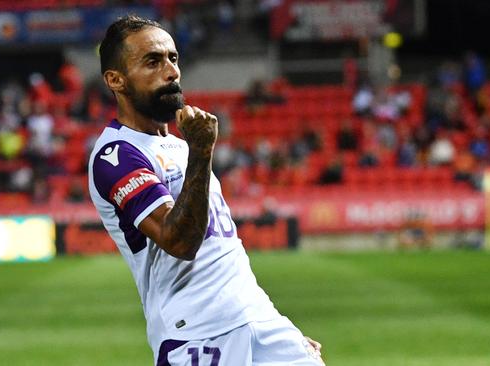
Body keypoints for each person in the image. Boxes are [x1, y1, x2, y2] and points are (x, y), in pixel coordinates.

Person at [88, 16, 324, 365]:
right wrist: (202, 151)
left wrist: (262, 322)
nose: (171, 71)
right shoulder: (116, 155)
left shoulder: (181, 146)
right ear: (116, 80)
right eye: (153, 61)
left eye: (173, 58)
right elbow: (180, 241)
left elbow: (220, 251)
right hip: (197, 335)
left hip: (257, 320)